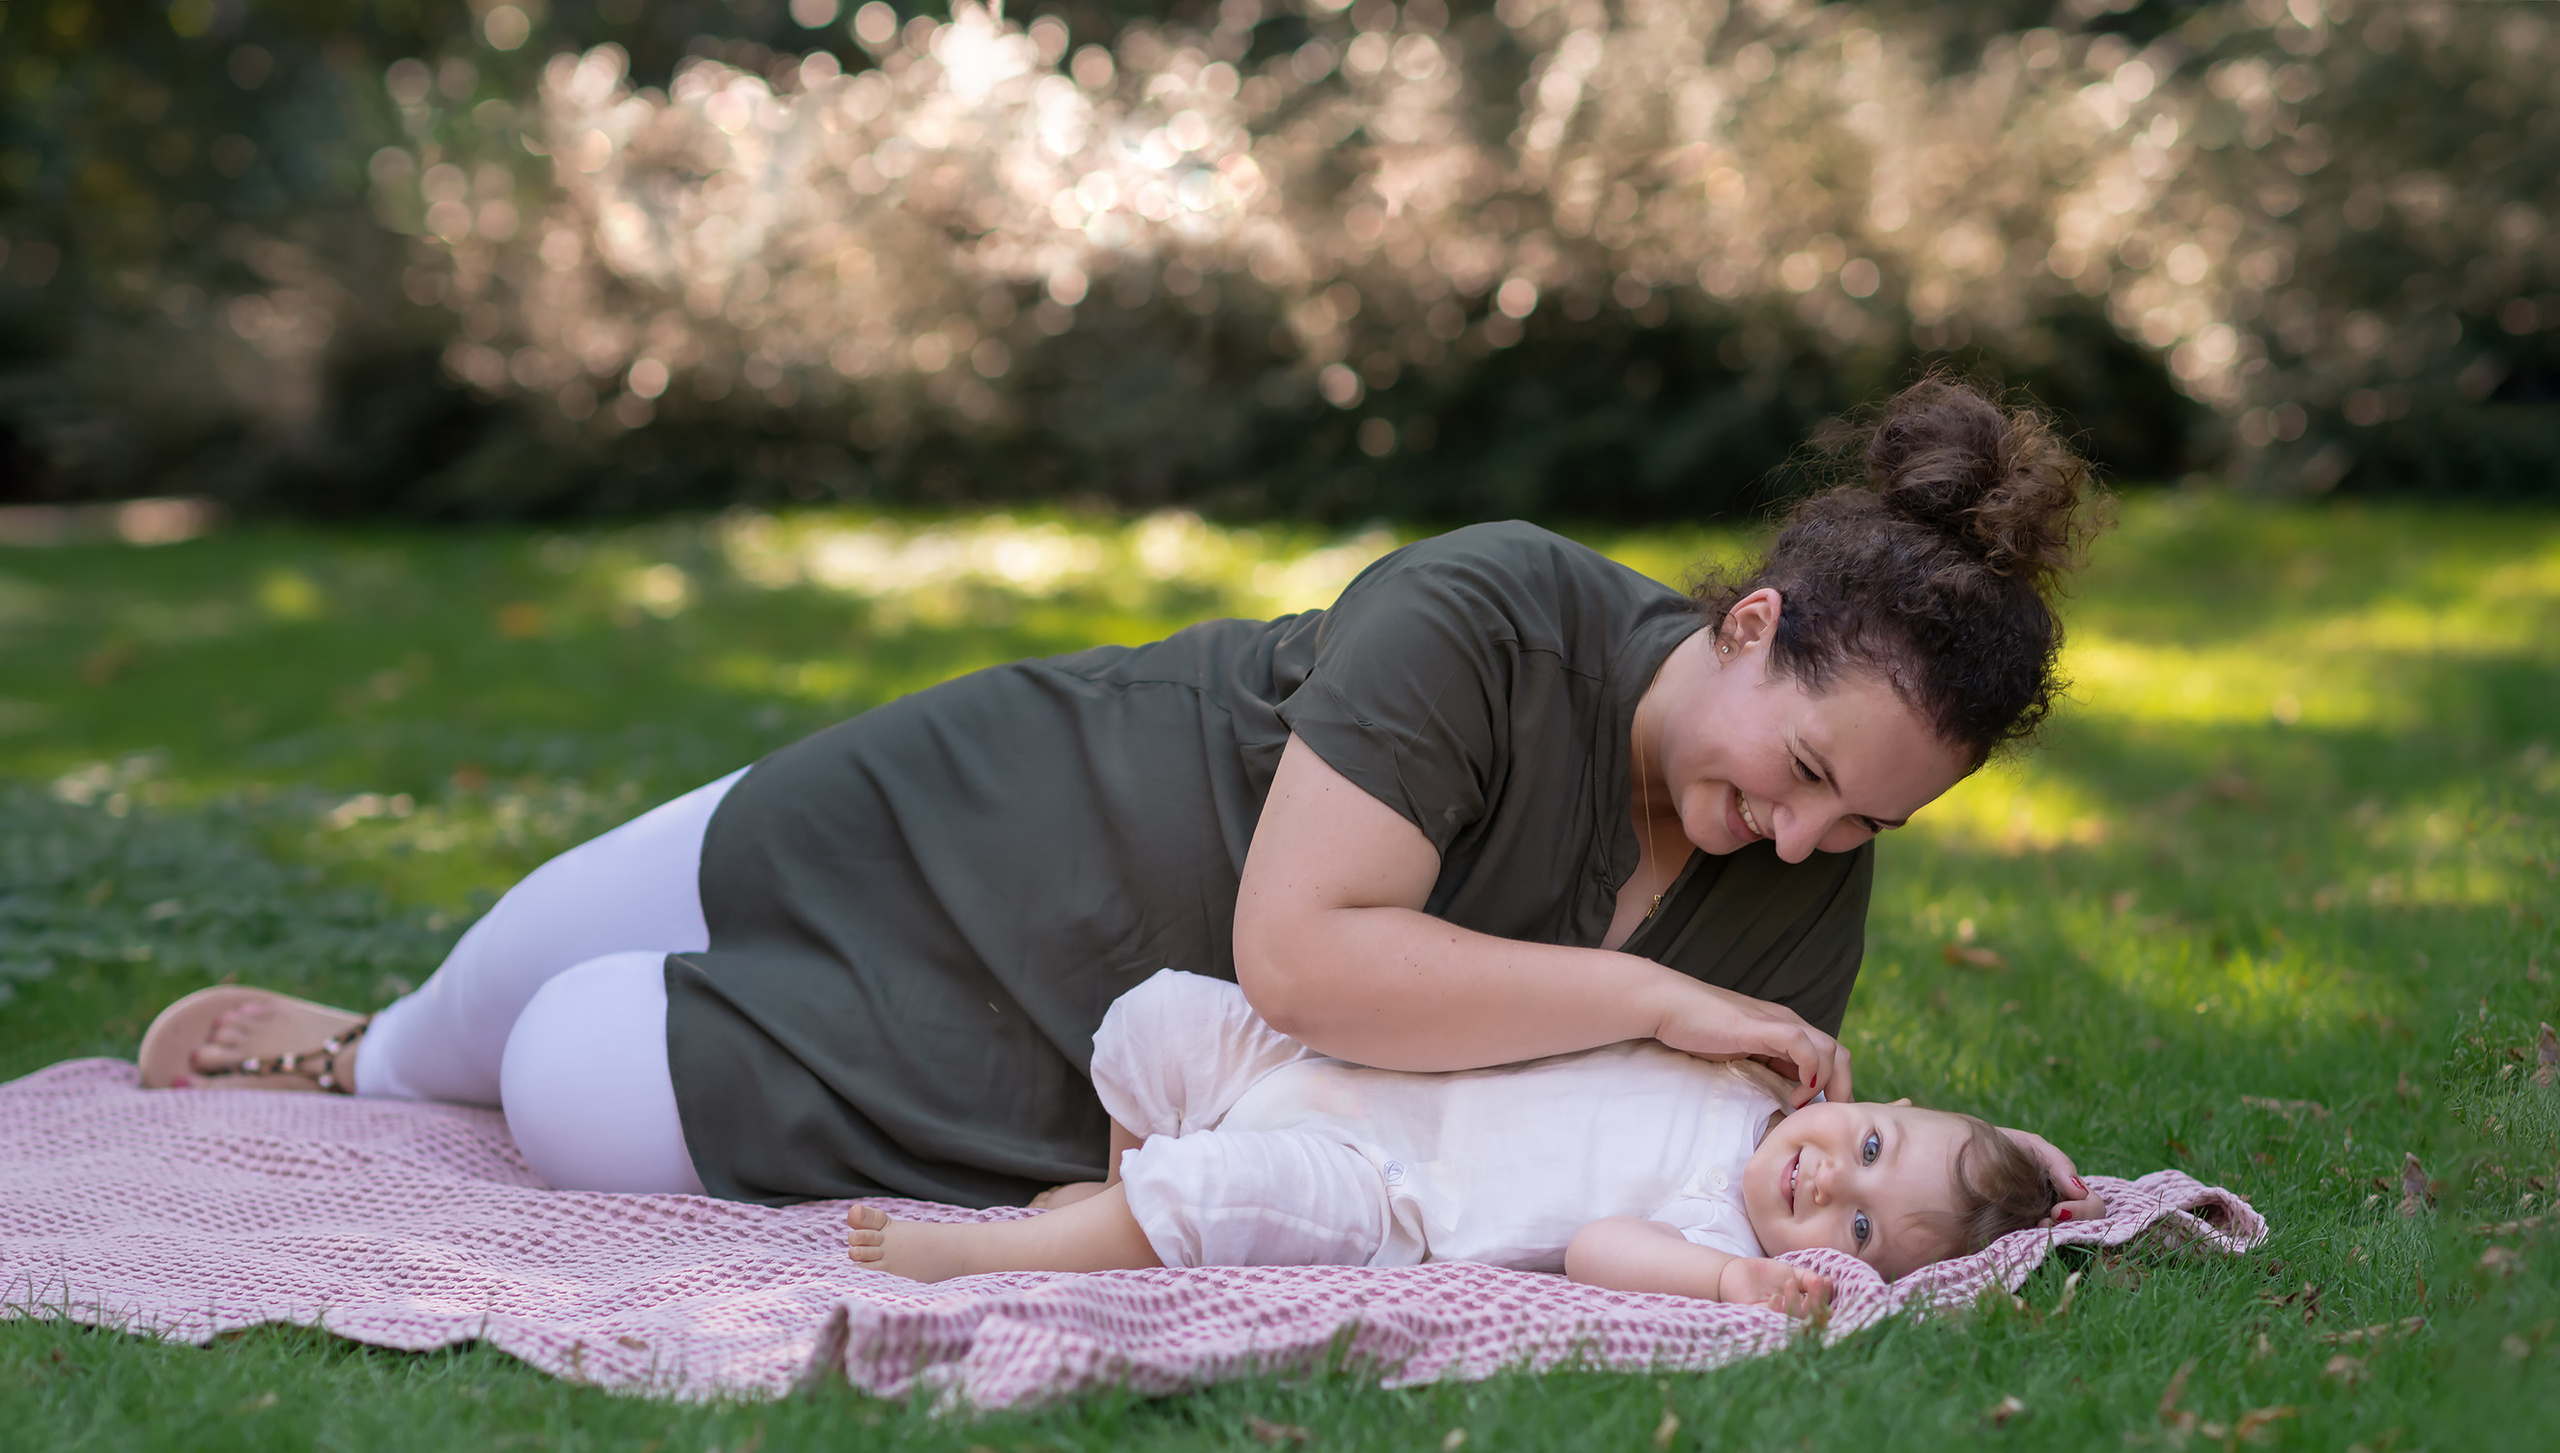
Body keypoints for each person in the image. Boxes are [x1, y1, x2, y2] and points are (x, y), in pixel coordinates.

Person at [136, 375, 2100, 1217]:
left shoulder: (1792, 891)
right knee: (501, 981)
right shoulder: (1495, 602)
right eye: (1807, 775)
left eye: (1865, 832)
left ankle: (453, 1069)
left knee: (573, 1078)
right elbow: (1311, 955)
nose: (1805, 846)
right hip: (1003, 815)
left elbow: (1667, 1165)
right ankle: (371, 1063)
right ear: (1749, 627)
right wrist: (1657, 998)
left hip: (1092, 1060)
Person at [845, 969, 2063, 1313]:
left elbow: (1596, 1248)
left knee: (1228, 1189)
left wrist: (1735, 1278)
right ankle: (1106, 1196)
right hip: (1337, 1073)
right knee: (1159, 1017)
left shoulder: (1716, 1222)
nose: (1829, 1174)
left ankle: (975, 1255)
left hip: (1389, 1191)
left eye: (1854, 1222)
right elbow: (1936, 1159)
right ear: (1872, 1100)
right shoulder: (1750, 1069)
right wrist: (2018, 1148)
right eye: (1869, 1139)